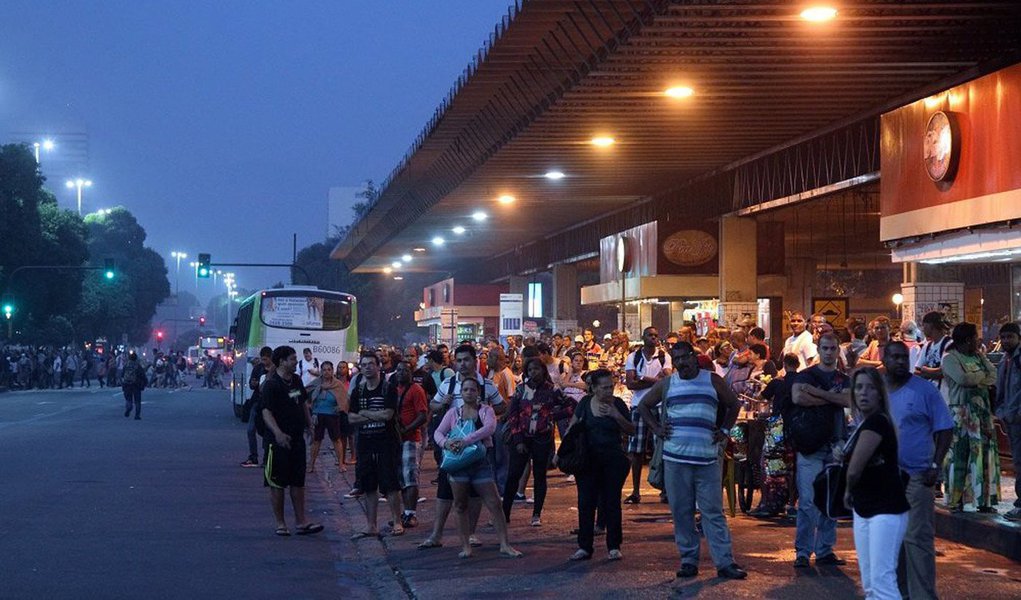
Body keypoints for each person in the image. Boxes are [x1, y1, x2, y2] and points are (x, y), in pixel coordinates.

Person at [638, 342, 747, 580]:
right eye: (676, 359)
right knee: (682, 511)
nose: (681, 363)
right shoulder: (668, 384)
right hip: (675, 459)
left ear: (693, 357)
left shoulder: (712, 380)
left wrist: (725, 430)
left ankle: (725, 562)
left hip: (707, 459)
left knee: (713, 512)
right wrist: (656, 428)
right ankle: (688, 560)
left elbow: (734, 404)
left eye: (684, 358)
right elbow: (644, 405)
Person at [883, 341, 953, 599]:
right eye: (895, 357)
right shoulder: (877, 392)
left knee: (917, 538)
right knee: (893, 541)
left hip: (917, 475)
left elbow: (945, 429)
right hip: (886, 478)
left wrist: (936, 464)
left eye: (904, 357)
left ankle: (923, 595)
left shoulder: (924, 390)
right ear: (884, 360)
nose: (901, 362)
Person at [419, 344, 506, 549]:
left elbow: (502, 405)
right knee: (445, 491)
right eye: (458, 360)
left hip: (479, 449)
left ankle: (471, 534)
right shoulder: (448, 384)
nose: (462, 364)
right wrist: (443, 404)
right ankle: (436, 535)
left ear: (475, 361)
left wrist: (486, 412)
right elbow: (433, 405)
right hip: (452, 448)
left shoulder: (486, 385)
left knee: (476, 493)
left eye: (466, 360)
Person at [434, 376, 522, 559]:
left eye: (472, 390)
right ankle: (465, 546)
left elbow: (489, 428)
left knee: (494, 503)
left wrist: (465, 441)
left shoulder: (486, 411)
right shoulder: (453, 413)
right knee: (460, 504)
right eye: (465, 390)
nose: (469, 393)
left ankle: (504, 544)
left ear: (478, 392)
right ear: (461, 392)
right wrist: (446, 443)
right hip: (459, 464)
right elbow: (438, 432)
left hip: (480, 464)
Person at [844, 367, 911, 600]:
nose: (863, 393)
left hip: (885, 507)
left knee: (881, 581)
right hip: (866, 505)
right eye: (859, 387)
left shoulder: (877, 423)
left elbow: (854, 469)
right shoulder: (866, 423)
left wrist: (847, 489)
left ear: (880, 394)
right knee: (871, 583)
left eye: (870, 388)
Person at [789, 333, 850, 568]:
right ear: (819, 349)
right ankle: (803, 551)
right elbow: (798, 397)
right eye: (825, 348)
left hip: (835, 444)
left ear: (837, 350)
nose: (829, 352)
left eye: (833, 348)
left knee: (830, 499)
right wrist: (833, 398)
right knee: (807, 501)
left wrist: (817, 393)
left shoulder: (842, 378)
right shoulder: (805, 375)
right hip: (811, 444)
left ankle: (824, 549)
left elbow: (848, 401)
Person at [568, 369, 634, 561]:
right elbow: (573, 427)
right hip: (587, 460)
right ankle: (584, 546)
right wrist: (563, 452)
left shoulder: (618, 404)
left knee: (611, 502)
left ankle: (614, 545)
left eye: (611, 387)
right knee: (585, 503)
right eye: (604, 387)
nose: (609, 391)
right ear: (594, 388)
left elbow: (631, 430)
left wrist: (616, 415)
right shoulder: (585, 403)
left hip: (612, 459)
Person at [259, 345, 323, 536]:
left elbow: (301, 402)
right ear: (282, 361)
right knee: (277, 482)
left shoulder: (295, 380)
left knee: (298, 481)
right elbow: (266, 412)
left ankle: (301, 521)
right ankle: (281, 523)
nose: (296, 362)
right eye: (293, 359)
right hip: (277, 441)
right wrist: (278, 433)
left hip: (296, 438)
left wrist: (309, 425)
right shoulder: (272, 384)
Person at [502, 358, 574, 526]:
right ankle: (505, 513)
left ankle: (536, 514)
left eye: (536, 369)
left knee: (540, 476)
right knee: (513, 475)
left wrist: (551, 417)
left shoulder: (552, 390)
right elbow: (513, 415)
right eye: (530, 370)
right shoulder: (521, 389)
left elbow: (571, 406)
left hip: (542, 439)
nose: (533, 372)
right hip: (521, 438)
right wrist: (518, 439)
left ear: (543, 370)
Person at [941, 322, 1001, 513]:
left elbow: (994, 374)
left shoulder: (979, 356)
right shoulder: (950, 358)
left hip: (981, 413)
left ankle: (984, 501)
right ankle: (956, 499)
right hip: (961, 414)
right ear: (967, 339)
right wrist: (981, 376)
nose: (978, 340)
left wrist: (977, 376)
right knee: (959, 456)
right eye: (975, 337)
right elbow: (963, 380)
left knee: (983, 456)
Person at [347, 351, 405, 538]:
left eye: (371, 364)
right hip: (365, 442)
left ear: (378, 366)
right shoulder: (358, 391)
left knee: (391, 483)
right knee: (369, 485)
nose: (367, 368)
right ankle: (371, 525)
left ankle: (397, 521)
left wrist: (365, 414)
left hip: (386, 442)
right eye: (364, 365)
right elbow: (351, 418)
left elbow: (388, 415)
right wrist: (374, 415)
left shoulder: (388, 388)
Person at [623, 327, 672, 504]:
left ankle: (665, 489)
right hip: (638, 406)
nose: (653, 338)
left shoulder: (664, 357)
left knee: (663, 447)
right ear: (643, 337)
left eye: (656, 335)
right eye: (650, 335)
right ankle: (636, 491)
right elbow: (630, 384)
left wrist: (643, 378)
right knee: (636, 450)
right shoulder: (633, 357)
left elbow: (668, 380)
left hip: (659, 406)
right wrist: (655, 381)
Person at [390, 359, 428, 529]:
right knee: (400, 478)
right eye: (398, 370)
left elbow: (422, 415)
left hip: (411, 439)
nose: (401, 373)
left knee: (410, 476)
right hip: (395, 439)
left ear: (411, 373)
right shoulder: (393, 389)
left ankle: (411, 514)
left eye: (405, 370)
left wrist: (406, 429)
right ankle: (404, 513)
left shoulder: (416, 390)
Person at [994, 322, 1021, 522]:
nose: (1005, 341)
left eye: (1010, 337)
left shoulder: (1018, 360)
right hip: (1010, 419)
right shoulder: (1006, 359)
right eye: (1003, 337)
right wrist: (1001, 412)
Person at [306, 361, 350, 474]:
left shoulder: (337, 384)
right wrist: (308, 404)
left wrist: (340, 407)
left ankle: (341, 464)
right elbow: (303, 392)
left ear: (332, 371)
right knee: (316, 440)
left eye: (329, 369)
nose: (326, 372)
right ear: (321, 371)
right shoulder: (316, 383)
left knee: (336, 439)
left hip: (332, 415)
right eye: (324, 370)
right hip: (317, 415)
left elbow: (345, 399)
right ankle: (311, 464)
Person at [241, 346, 274, 468]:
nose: (264, 362)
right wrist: (253, 383)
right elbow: (252, 385)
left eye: (266, 359)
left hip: (270, 405)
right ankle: (253, 456)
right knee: (250, 430)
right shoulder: (258, 368)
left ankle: (267, 458)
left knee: (267, 432)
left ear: (271, 358)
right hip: (257, 403)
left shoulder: (276, 371)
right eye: (262, 359)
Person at [120, 351, 146, 420]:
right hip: (136, 385)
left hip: (127, 384)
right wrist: (145, 383)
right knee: (137, 401)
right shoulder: (138, 366)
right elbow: (142, 375)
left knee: (129, 399)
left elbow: (122, 375)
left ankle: (128, 408)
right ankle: (137, 415)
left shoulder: (126, 365)